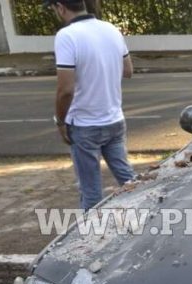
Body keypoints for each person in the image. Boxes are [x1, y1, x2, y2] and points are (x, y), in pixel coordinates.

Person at [45, 0, 136, 211]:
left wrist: (60, 121)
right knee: (130, 181)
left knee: (91, 193)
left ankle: (92, 239)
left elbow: (66, 90)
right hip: (114, 119)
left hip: (84, 125)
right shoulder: (111, 29)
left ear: (60, 7)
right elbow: (128, 71)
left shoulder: (67, 36)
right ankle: (153, 218)